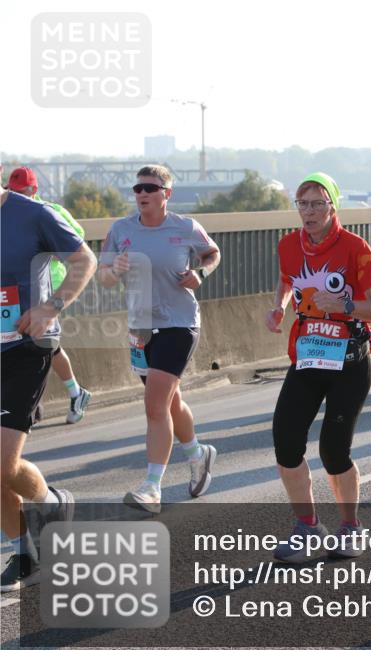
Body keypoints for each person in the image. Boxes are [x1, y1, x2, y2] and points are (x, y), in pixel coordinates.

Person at [265, 172, 371, 562]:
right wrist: (279, 306)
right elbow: (287, 280)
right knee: (286, 442)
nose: (309, 211)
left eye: (318, 203)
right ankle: (307, 526)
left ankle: (350, 527)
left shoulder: (355, 247)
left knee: (333, 451)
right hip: (307, 356)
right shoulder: (288, 244)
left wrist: (345, 306)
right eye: (303, 204)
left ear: (333, 206)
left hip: (349, 360)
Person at [97, 165, 220, 513]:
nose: (142, 194)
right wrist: (114, 271)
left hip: (179, 323)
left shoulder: (185, 227)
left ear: (167, 194)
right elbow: (102, 278)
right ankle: (198, 454)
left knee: (154, 405)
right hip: (140, 327)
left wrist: (201, 272)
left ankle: (152, 487)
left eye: (150, 188)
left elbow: (212, 253)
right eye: (137, 188)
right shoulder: (120, 230)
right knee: (168, 401)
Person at [1, 165, 96, 591]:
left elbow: (84, 259)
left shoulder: (33, 214)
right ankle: (25, 551)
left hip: (24, 349)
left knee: (1, 464)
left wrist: (50, 307)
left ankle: (50, 502)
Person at [5, 167, 92, 423]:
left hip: (50, 290)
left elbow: (79, 241)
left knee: (48, 347)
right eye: (14, 191)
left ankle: (74, 393)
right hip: (15, 308)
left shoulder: (47, 211)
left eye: (23, 192)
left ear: (35, 190)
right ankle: (60, 396)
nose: (19, 195)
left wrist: (52, 248)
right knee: (51, 350)